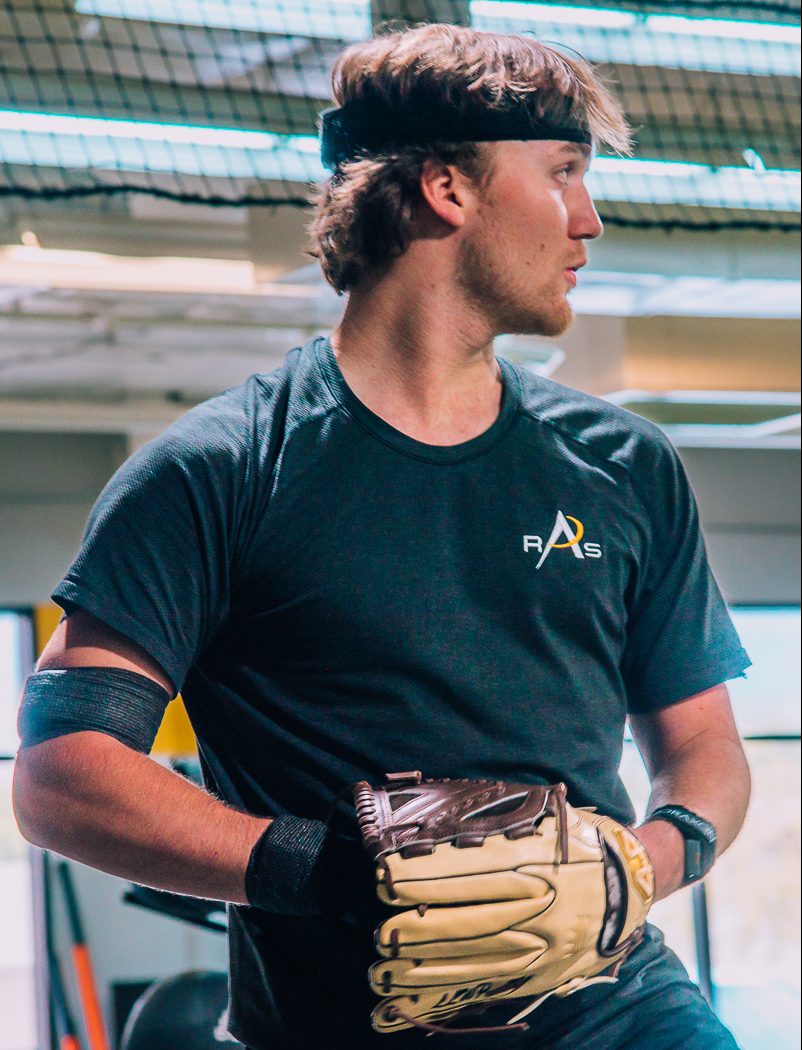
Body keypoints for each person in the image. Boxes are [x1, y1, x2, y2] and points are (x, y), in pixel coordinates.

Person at [13, 23, 751, 1050]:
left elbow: (705, 748)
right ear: (449, 189)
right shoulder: (219, 470)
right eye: (563, 174)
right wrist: (334, 875)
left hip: (619, 1011)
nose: (587, 220)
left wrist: (635, 873)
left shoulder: (625, 466)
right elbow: (63, 776)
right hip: (336, 1022)